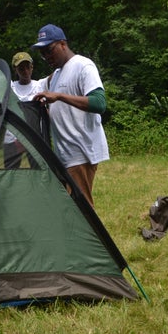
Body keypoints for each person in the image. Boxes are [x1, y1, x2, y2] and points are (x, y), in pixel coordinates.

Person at [30, 24, 109, 208]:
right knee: (70, 208)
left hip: (80, 152)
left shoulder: (83, 66)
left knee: (82, 211)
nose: (46, 57)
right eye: (42, 53)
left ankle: (94, 238)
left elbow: (99, 103)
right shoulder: (56, 75)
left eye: (49, 50)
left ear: (63, 44)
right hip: (64, 154)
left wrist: (59, 96)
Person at [0, 29, 47, 169]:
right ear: (15, 70)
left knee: (39, 174)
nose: (25, 71)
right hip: (11, 140)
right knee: (11, 173)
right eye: (21, 68)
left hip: (33, 140)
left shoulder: (41, 85)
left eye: (28, 67)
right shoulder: (10, 87)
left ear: (32, 67)